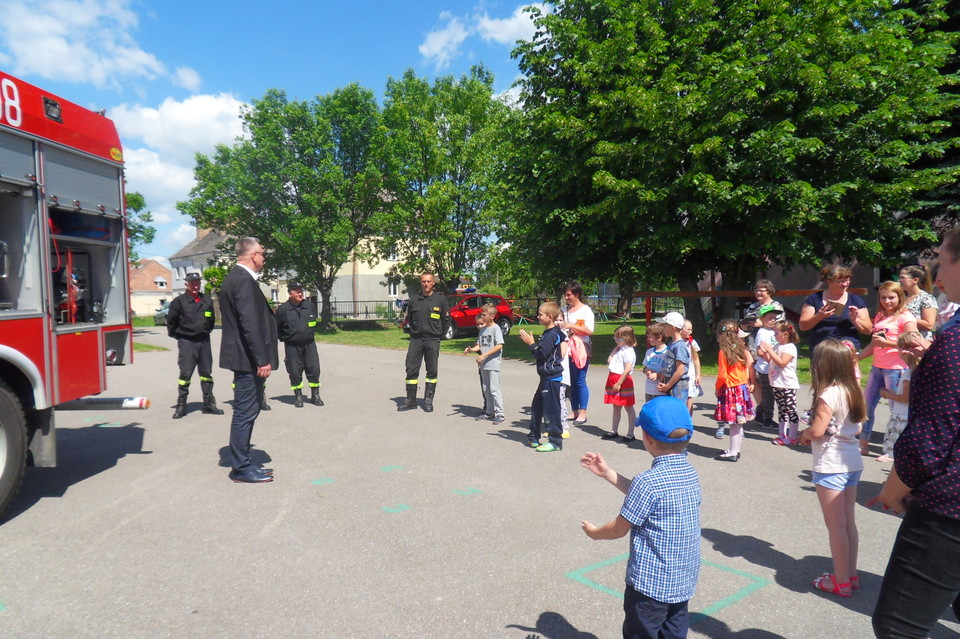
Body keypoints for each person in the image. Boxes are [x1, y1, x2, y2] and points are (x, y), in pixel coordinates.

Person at [871, 227, 960, 639]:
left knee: (898, 626)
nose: (936, 274)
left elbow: (932, 437)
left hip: (948, 510)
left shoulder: (954, 343)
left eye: (943, 260)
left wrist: (893, 488)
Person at [580, 396, 701, 639]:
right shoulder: (689, 472)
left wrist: (594, 533)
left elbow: (618, 529)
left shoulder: (649, 483)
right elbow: (647, 498)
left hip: (649, 589)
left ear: (647, 438)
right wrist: (609, 474)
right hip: (682, 583)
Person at [798, 339, 866, 598]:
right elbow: (858, 427)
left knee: (835, 526)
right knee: (848, 522)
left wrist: (805, 433)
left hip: (831, 465)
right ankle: (850, 574)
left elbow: (816, 430)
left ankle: (840, 582)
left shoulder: (828, 394)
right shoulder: (853, 391)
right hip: (852, 461)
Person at [218, 237, 279, 484]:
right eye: (263, 254)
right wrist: (262, 360)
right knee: (245, 412)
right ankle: (241, 468)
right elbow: (249, 325)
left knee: (248, 410)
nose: (264, 258)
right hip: (247, 360)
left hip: (244, 358)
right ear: (254, 255)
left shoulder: (236, 278)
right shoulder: (242, 281)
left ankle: (242, 462)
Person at [856, 281, 917, 456]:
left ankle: (894, 450)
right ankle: (863, 443)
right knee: (866, 407)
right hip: (878, 367)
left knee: (896, 410)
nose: (887, 301)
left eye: (891, 297)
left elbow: (913, 340)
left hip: (896, 368)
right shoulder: (881, 316)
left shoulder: (906, 316)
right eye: (883, 297)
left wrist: (889, 342)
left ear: (900, 297)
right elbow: (874, 344)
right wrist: (855, 358)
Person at [167, 271, 223, 419]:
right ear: (186, 284)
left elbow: (210, 321)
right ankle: (182, 404)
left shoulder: (207, 301)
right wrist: (179, 336)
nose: (195, 286)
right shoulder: (179, 302)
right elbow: (171, 322)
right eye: (192, 283)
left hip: (204, 341)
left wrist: (204, 331)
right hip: (187, 342)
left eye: (197, 283)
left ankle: (208, 403)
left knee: (206, 373)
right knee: (185, 374)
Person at [399, 272, 450, 413]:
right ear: (421, 283)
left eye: (428, 281)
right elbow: (408, 319)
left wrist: (440, 335)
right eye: (423, 282)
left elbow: (446, 320)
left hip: (432, 340)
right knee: (411, 369)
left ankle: (428, 401)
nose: (426, 284)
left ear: (433, 282)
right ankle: (411, 400)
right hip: (416, 340)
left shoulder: (440, 300)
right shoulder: (414, 300)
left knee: (432, 371)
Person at [518, 302, 566, 452]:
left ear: (550, 317)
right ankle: (534, 436)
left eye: (540, 314)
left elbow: (541, 355)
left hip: (551, 378)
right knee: (537, 406)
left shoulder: (552, 334)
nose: (538, 316)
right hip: (545, 378)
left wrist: (531, 344)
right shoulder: (549, 333)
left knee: (551, 410)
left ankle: (555, 441)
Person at [799, 264, 873, 351]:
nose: (845, 284)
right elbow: (803, 326)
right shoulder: (815, 298)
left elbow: (868, 330)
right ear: (829, 281)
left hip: (847, 349)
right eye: (840, 281)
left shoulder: (855, 300)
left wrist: (855, 320)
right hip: (821, 348)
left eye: (847, 280)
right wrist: (819, 316)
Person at [274, 281, 322, 408]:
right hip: (292, 346)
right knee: (295, 371)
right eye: (297, 291)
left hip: (309, 344)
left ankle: (315, 396)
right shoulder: (283, 310)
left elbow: (313, 322)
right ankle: (298, 397)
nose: (300, 293)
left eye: (301, 290)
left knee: (314, 369)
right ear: (290, 294)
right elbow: (277, 328)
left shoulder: (309, 306)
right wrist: (284, 338)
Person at [713, 320, 755, 461]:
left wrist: (717, 388)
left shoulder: (723, 352)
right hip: (742, 387)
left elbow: (722, 375)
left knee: (733, 422)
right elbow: (750, 361)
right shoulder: (741, 348)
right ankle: (735, 449)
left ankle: (732, 452)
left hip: (731, 389)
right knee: (739, 422)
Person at [876, 331, 921, 463]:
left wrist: (888, 395)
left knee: (898, 449)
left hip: (902, 415)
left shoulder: (909, 373)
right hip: (907, 414)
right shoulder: (916, 370)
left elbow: (905, 398)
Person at [758, 320, 800, 446]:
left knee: (790, 409)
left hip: (787, 384)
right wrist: (765, 351)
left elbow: (782, 363)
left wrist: (770, 350)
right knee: (782, 410)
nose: (774, 336)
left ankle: (793, 436)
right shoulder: (777, 346)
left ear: (786, 334)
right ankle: (782, 434)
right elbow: (771, 359)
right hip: (777, 383)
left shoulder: (790, 348)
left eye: (776, 333)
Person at [463, 304, 505, 423]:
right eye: (481, 314)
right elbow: (479, 345)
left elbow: (499, 345)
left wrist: (484, 355)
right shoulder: (482, 330)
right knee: (486, 389)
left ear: (492, 316)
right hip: (483, 365)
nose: (482, 316)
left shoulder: (496, 328)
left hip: (493, 364)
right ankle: (489, 412)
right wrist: (471, 349)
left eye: (484, 314)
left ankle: (500, 413)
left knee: (494, 389)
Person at [561, 281, 595, 424]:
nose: (566, 297)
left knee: (580, 381)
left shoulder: (586, 310)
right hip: (566, 349)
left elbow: (589, 330)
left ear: (577, 294)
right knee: (571, 382)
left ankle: (583, 412)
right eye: (566, 295)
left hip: (581, 349)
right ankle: (574, 411)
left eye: (569, 295)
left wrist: (571, 326)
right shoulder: (563, 309)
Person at [600, 325, 638, 442]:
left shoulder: (628, 352)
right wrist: (616, 348)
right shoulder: (620, 350)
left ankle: (630, 433)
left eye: (619, 339)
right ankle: (614, 430)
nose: (616, 341)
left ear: (627, 338)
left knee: (628, 406)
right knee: (616, 407)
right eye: (615, 338)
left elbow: (627, 369)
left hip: (622, 380)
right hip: (613, 377)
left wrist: (619, 383)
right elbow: (609, 360)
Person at [752, 306, 780, 428]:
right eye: (770, 318)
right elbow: (759, 352)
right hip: (765, 368)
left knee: (769, 394)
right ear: (762, 319)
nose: (773, 320)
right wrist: (771, 358)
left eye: (774, 318)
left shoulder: (773, 332)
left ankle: (759, 414)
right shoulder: (762, 332)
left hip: (772, 368)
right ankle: (767, 418)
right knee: (768, 395)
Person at [655, 312, 690, 403]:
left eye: (665, 325)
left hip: (678, 385)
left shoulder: (679, 347)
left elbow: (680, 370)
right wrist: (663, 378)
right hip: (670, 382)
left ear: (672, 327)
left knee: (676, 410)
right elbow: (668, 364)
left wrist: (668, 386)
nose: (663, 328)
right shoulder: (671, 344)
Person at [899, 264, 938, 339]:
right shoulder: (902, 298)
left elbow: (929, 325)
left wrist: (904, 317)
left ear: (915, 280)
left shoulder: (926, 298)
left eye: (903, 278)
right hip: (903, 341)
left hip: (920, 342)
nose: (899, 280)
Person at [641, 324, 668, 402]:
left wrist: (658, 375)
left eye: (650, 337)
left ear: (659, 337)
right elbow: (645, 367)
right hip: (649, 390)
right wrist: (647, 370)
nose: (648, 339)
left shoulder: (667, 352)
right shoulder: (649, 352)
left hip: (661, 392)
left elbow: (669, 371)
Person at [680, 320, 702, 414]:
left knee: (689, 396)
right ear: (680, 329)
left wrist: (698, 375)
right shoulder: (676, 342)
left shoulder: (692, 343)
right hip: (679, 372)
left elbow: (696, 360)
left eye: (691, 329)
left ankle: (689, 419)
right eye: (688, 329)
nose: (690, 332)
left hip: (689, 373)